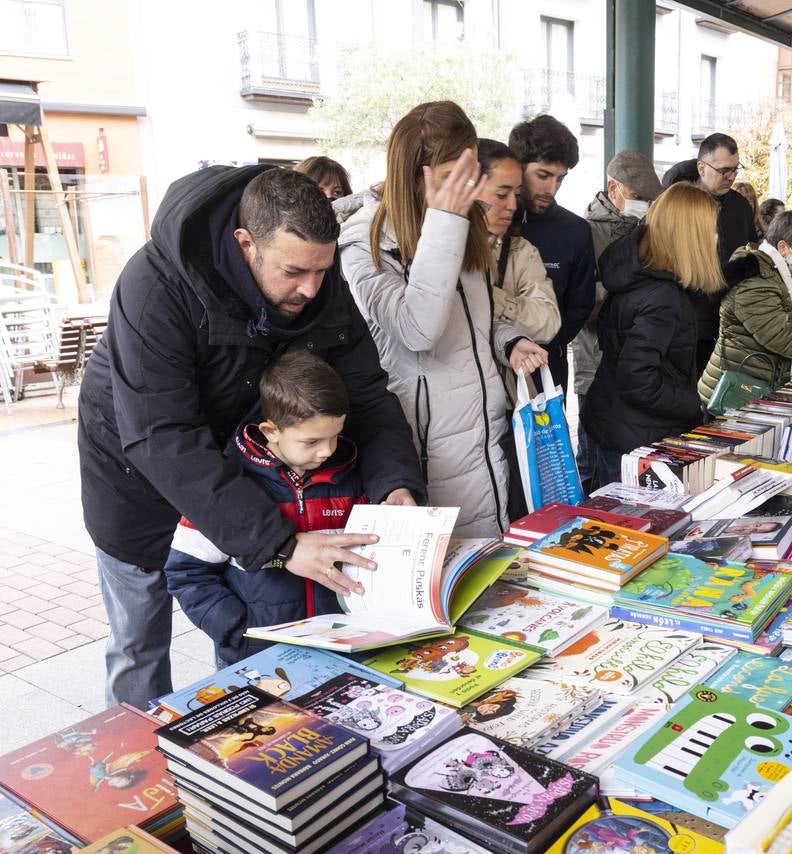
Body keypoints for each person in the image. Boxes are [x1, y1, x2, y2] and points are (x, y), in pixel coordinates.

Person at [78, 165, 425, 709]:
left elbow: (368, 397)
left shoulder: (317, 280)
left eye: (321, 270)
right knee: (140, 640)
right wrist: (281, 544)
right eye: (293, 272)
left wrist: (395, 486)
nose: (311, 289)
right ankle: (139, 771)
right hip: (135, 478)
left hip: (244, 468)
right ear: (246, 244)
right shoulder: (155, 287)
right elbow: (162, 435)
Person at [339, 100, 547, 539]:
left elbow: (470, 318)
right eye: (456, 176)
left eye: (470, 175)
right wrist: (444, 223)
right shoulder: (366, 243)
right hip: (426, 448)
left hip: (485, 432)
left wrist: (507, 341)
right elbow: (418, 329)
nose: (469, 190)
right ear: (418, 174)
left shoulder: (463, 223)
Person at [165, 353, 367, 667]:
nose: (328, 450)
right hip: (258, 659)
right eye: (311, 441)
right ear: (270, 431)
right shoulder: (229, 488)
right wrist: (239, 632)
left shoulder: (350, 477)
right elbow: (187, 572)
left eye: (335, 436)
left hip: (343, 653)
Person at [580, 183, 726, 486]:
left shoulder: (641, 275)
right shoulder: (662, 295)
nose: (715, 239)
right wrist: (693, 406)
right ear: (691, 236)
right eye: (709, 230)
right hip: (635, 436)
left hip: (617, 424)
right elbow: (638, 379)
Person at [575, 149, 663, 487]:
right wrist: (629, 296)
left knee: (621, 459)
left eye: (649, 199)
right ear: (614, 189)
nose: (644, 204)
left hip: (633, 361)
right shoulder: (586, 231)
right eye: (638, 196)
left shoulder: (644, 229)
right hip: (595, 361)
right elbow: (581, 302)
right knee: (592, 456)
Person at [698, 210, 792, 406]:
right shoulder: (756, 279)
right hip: (733, 392)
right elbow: (778, 334)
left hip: (755, 384)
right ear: (783, 247)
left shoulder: (776, 271)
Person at [507, 114, 596, 394]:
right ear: (517, 167)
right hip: (487, 370)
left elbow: (580, 305)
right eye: (543, 176)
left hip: (547, 369)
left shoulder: (576, 231)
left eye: (560, 178)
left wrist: (546, 344)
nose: (551, 188)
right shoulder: (488, 224)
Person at [660, 133, 759, 375]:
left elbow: (750, 250)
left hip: (734, 325)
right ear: (701, 168)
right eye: (724, 170)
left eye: (736, 169)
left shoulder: (740, 206)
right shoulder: (677, 206)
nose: (732, 177)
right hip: (689, 326)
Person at [473, 139, 560, 346]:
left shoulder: (521, 251)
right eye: (502, 195)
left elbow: (548, 322)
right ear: (467, 190)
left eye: (517, 194)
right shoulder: (434, 247)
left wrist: (488, 296)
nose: (512, 205)